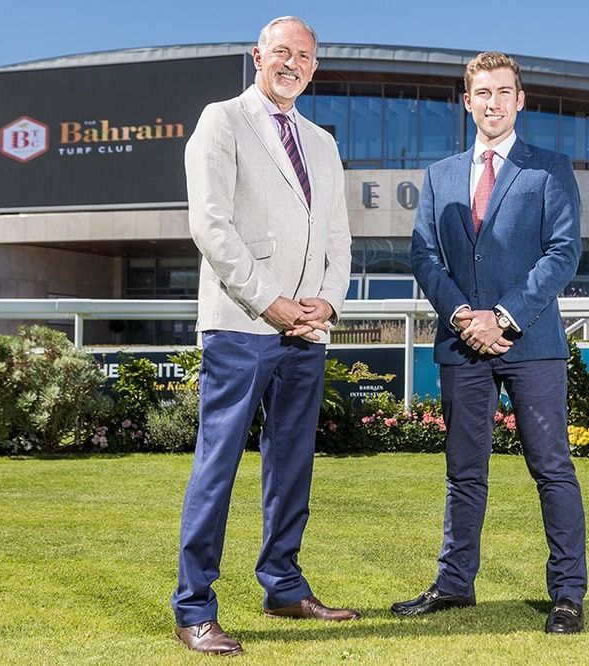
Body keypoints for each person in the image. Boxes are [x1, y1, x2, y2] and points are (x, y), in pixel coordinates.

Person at [172, 16, 356, 657]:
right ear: (258, 56)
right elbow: (211, 225)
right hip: (242, 325)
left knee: (291, 465)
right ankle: (195, 607)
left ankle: (283, 585)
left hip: (309, 330)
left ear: (314, 68)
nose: (292, 63)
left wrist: (325, 304)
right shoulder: (221, 121)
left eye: (304, 56)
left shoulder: (323, 142)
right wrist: (272, 303)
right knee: (217, 467)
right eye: (282, 51)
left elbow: (339, 237)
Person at [396, 51, 587, 634]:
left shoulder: (549, 169)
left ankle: (567, 595)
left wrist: (503, 317)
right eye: (483, 92)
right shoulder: (440, 176)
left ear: (520, 100)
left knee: (551, 467)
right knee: (463, 470)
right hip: (461, 346)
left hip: (531, 344)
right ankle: (455, 585)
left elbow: (562, 253)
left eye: (504, 92)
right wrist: (462, 316)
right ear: (467, 101)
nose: (493, 102)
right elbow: (424, 256)